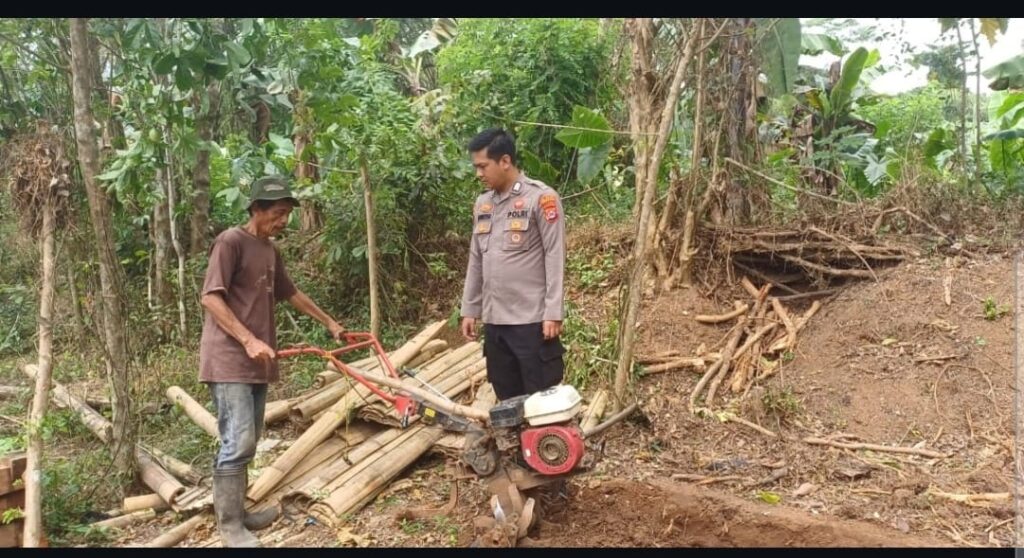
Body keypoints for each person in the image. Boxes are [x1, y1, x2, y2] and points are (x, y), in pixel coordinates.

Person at [198, 176, 345, 547]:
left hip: (256, 361)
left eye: (287, 214)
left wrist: (329, 322)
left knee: (249, 441)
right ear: (256, 209)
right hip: (229, 358)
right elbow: (210, 298)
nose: (284, 221)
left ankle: (240, 514)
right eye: (278, 213)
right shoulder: (230, 242)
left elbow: (291, 293)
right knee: (238, 441)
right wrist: (248, 340)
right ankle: (230, 527)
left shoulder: (269, 250)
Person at [459, 128, 567, 402]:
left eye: (483, 166)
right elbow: (476, 257)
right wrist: (470, 308)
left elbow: (555, 254)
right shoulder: (483, 204)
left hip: (531, 322)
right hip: (495, 323)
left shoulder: (540, 198)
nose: (478, 174)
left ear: (505, 161)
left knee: (541, 400)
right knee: (506, 399)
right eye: (476, 167)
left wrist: (553, 312)